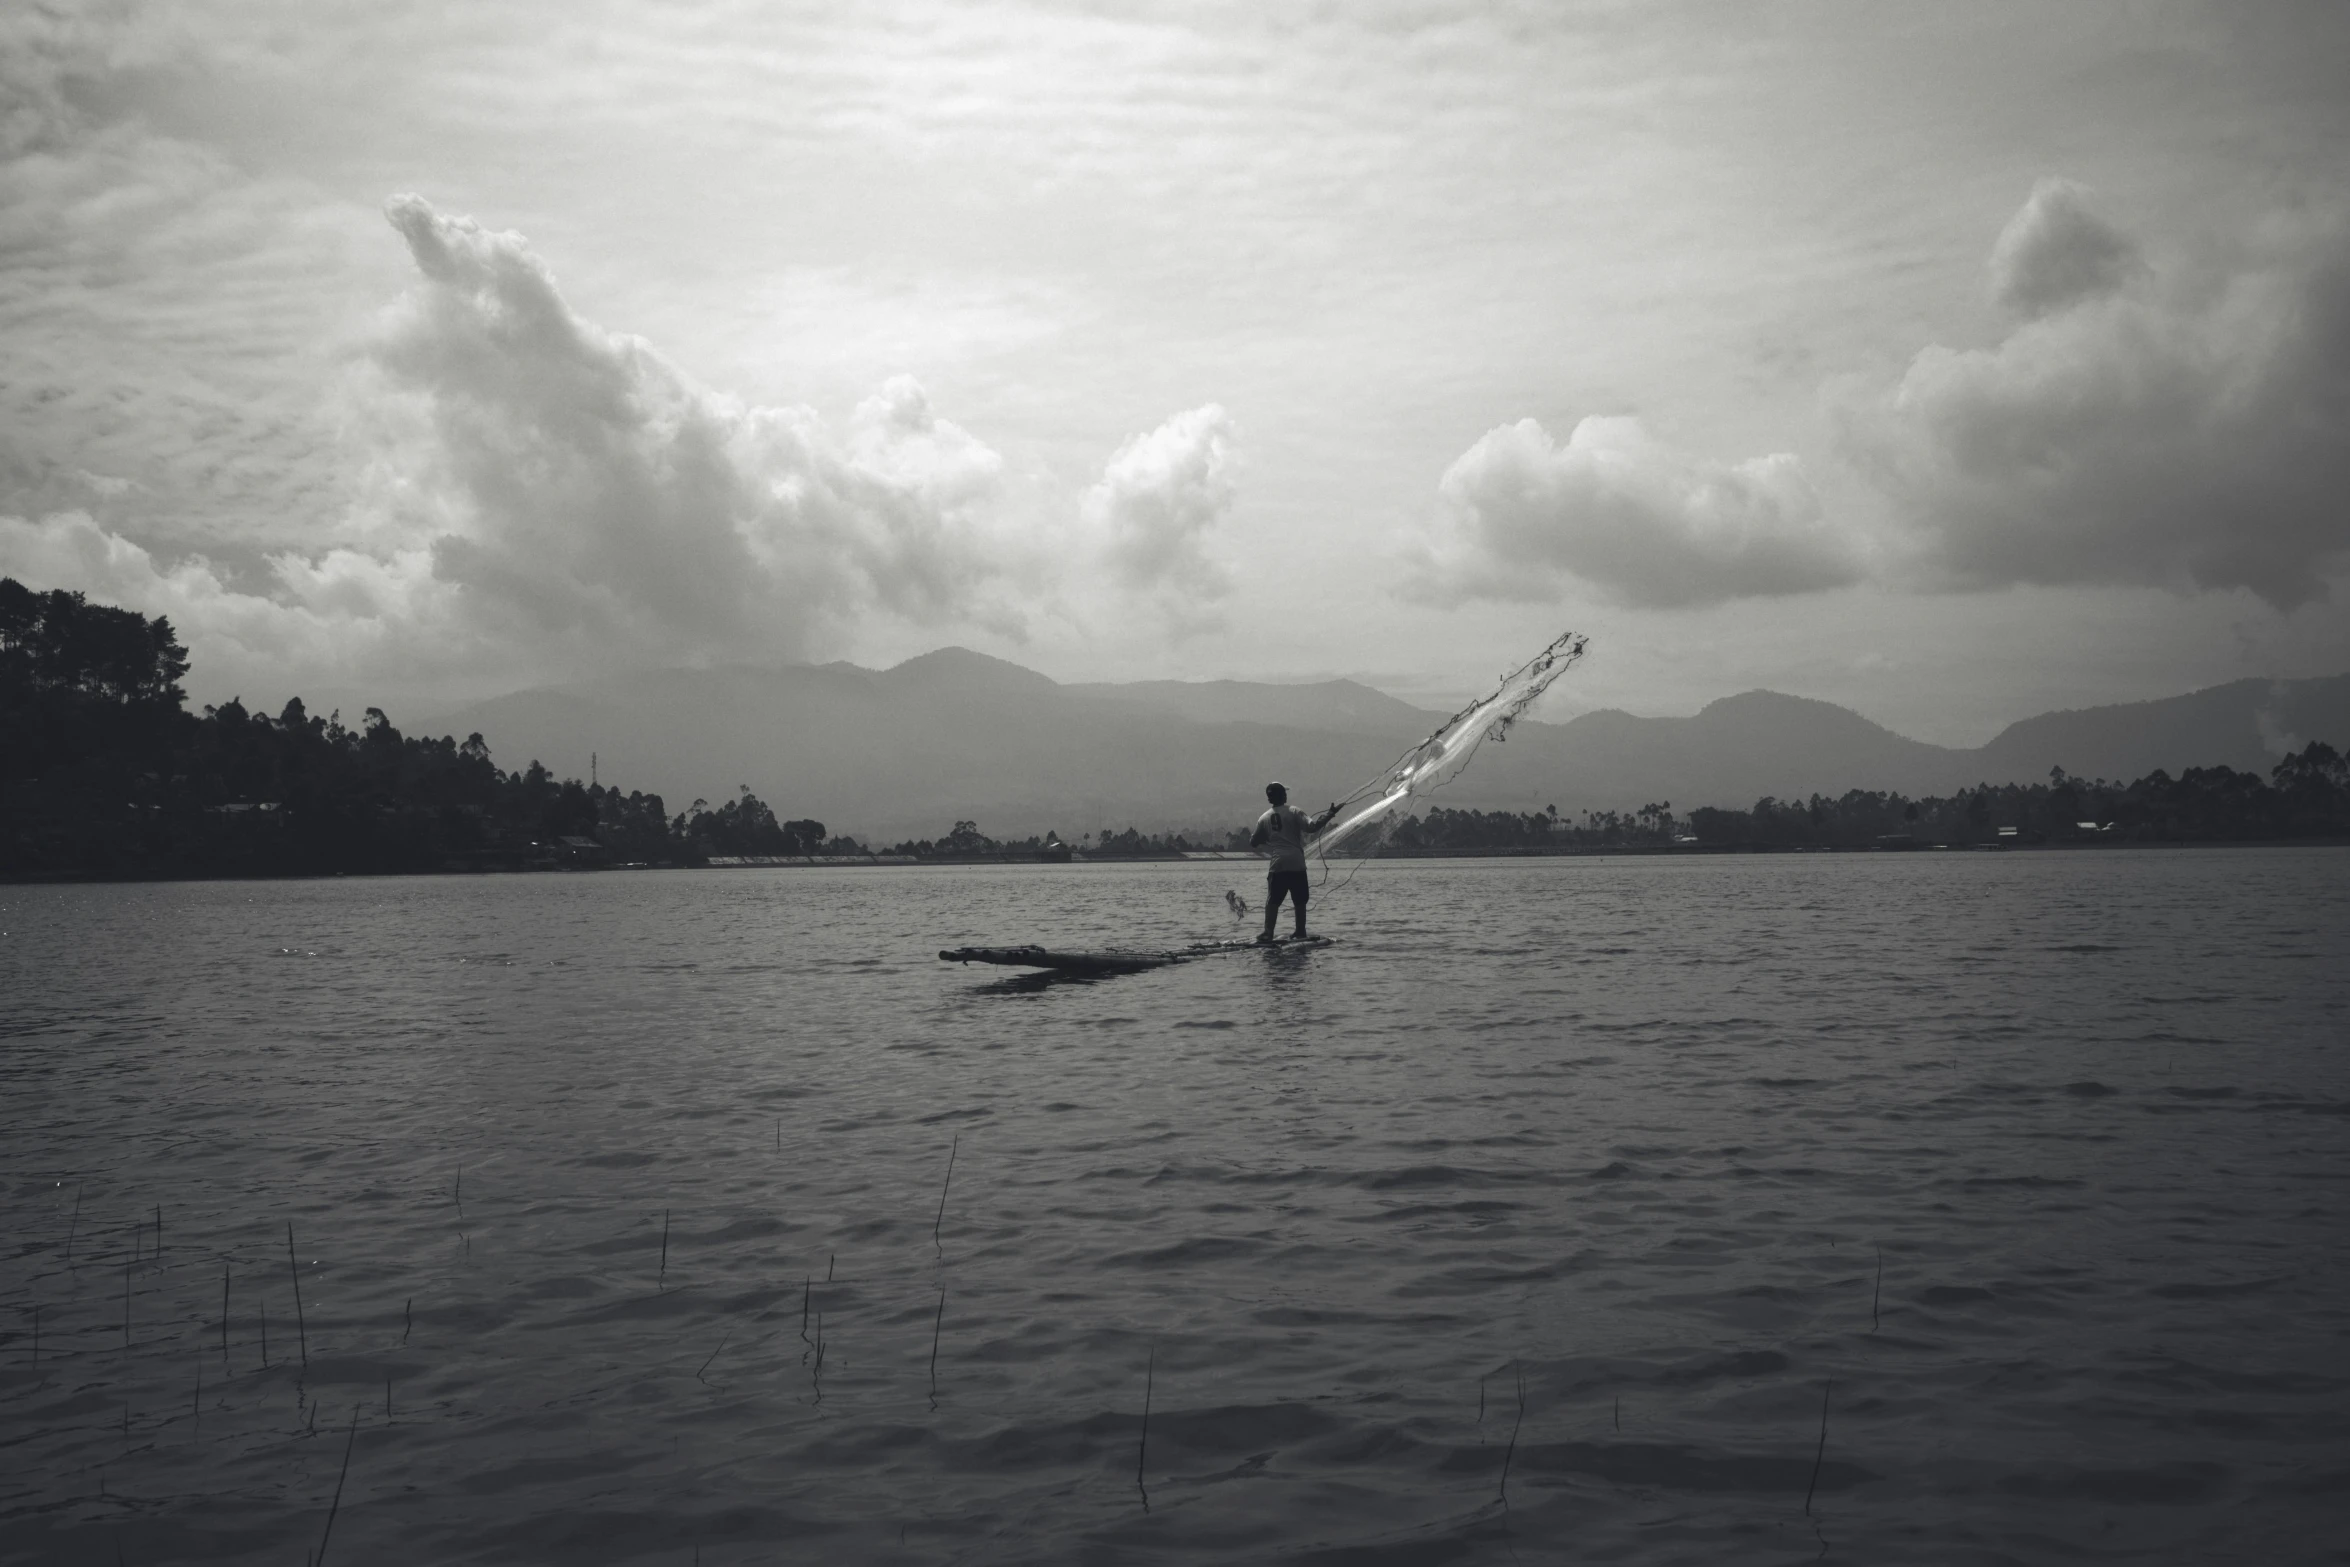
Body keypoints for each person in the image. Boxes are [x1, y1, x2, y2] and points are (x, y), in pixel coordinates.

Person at [1249, 781, 1340, 943]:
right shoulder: (1294, 811)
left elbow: (1253, 842)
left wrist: (1266, 838)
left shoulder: (1263, 818)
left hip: (1278, 864)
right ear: (1283, 795)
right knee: (1299, 900)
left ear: (1269, 799)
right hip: (1296, 862)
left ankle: (1268, 933)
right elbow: (1312, 827)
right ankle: (1300, 931)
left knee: (1273, 900)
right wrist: (1330, 813)